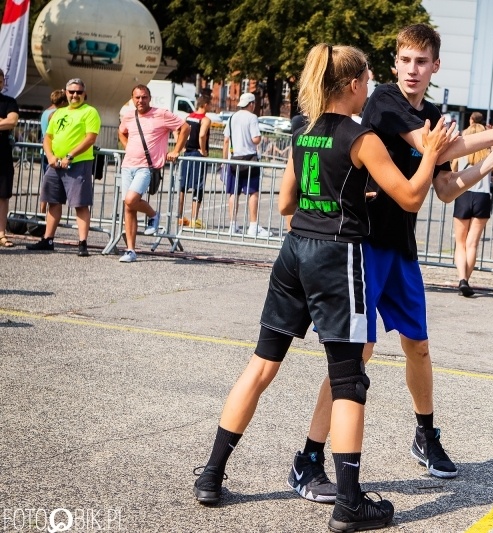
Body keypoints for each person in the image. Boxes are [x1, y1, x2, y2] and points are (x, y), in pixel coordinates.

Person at [192, 43, 453, 533]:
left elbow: (287, 201)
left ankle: (211, 474)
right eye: (368, 80)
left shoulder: (303, 131)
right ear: (352, 85)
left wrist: (338, 192)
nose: (371, 88)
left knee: (262, 365)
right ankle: (349, 502)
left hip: (295, 252)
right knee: (349, 377)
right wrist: (431, 153)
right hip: (338, 256)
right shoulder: (362, 136)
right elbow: (413, 195)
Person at [287, 23, 493, 499]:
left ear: (435, 66)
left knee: (419, 346)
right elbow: (433, 148)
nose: (413, 69)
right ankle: (309, 456)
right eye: (405, 60)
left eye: (422, 61)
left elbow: (446, 188)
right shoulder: (383, 101)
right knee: (357, 356)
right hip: (362, 245)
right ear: (395, 64)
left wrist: (492, 160)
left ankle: (425, 434)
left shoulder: (433, 113)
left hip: (400, 250)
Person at [26, 78, 100, 256]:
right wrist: (50, 156)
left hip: (78, 163)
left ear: (85, 94)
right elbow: (48, 138)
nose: (75, 95)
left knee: (80, 204)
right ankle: (48, 239)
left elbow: (90, 138)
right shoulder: (58, 113)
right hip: (55, 163)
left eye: (79, 92)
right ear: (66, 93)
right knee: (53, 201)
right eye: (71, 92)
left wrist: (70, 156)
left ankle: (82, 243)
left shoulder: (90, 112)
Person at [118, 84, 189, 263]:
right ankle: (131, 250)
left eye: (144, 97)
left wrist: (176, 150)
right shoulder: (129, 115)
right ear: (132, 99)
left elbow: (185, 127)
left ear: (150, 98)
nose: (140, 101)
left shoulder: (161, 114)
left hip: (146, 167)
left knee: (131, 200)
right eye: (137, 98)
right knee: (129, 207)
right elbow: (121, 132)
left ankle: (153, 215)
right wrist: (128, 147)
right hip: (128, 166)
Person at [451, 123, 491, 296]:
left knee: (460, 242)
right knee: (472, 243)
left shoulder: (461, 153)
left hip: (463, 194)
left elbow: (451, 172)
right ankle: (466, 280)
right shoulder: (488, 154)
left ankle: (461, 278)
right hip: (482, 196)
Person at [223, 92, 270, 237]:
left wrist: (224, 160)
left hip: (234, 158)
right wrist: (260, 138)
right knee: (253, 192)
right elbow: (255, 139)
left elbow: (226, 140)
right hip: (249, 158)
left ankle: (232, 224)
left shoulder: (232, 117)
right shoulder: (252, 117)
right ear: (251, 104)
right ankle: (253, 226)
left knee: (233, 193)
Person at [177, 96, 211, 228]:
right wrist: (203, 150)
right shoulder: (205, 119)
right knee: (198, 186)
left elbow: (177, 130)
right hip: (197, 153)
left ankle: (179, 216)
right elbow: (202, 135)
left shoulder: (188, 117)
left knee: (183, 186)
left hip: (187, 152)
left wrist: (182, 145)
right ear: (205, 105)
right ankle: (193, 218)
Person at [0, 69, 20, 249]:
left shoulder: (9, 102)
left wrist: (5, 121)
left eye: (0, 81)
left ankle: (1, 234)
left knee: (3, 196)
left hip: (2, 156)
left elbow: (12, 121)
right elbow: (5, 122)